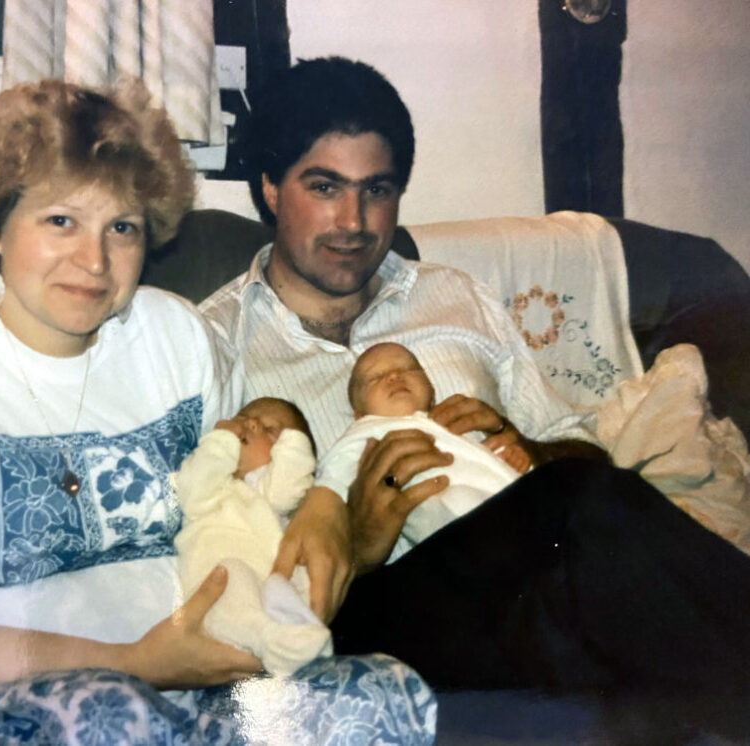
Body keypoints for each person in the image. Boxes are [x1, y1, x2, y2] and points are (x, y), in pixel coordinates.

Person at [0, 79, 436, 745]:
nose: (94, 260)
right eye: (60, 221)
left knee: (383, 694)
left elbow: (245, 496)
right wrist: (134, 665)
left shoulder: (177, 336)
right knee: (113, 714)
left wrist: (322, 506)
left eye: (121, 227)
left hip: (197, 692)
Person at [199, 56, 750, 739]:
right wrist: (359, 543)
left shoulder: (453, 297)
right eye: (324, 187)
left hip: (522, 584)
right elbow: (207, 547)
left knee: (584, 535)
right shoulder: (211, 344)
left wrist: (533, 447)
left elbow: (584, 450)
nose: (354, 221)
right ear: (271, 189)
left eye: (377, 189)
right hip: (359, 615)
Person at [316, 342, 526, 561]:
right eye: (375, 378)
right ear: (360, 415)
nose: (394, 375)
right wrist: (322, 504)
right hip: (453, 520)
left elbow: (478, 459)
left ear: (433, 395)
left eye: (409, 369)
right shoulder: (366, 432)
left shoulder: (450, 422)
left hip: (512, 506)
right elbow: (334, 475)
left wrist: (511, 460)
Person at [174, 397, 332, 676]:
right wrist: (222, 439)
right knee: (230, 577)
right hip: (217, 591)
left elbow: (289, 486)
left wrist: (294, 440)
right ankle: (269, 639)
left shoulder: (272, 491)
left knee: (306, 581)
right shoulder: (215, 489)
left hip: (274, 585)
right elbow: (192, 487)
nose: (251, 424)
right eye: (243, 419)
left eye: (270, 430)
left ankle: (301, 634)